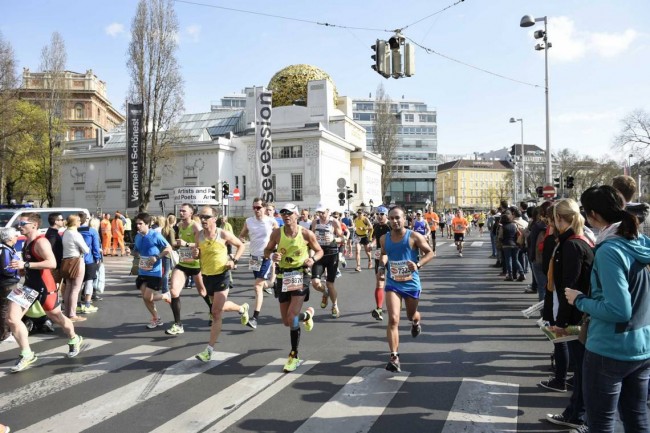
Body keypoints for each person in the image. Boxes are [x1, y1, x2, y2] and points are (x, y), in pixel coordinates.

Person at [566, 185, 650, 433]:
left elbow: (618, 309)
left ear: (593, 215)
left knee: (601, 424)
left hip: (609, 348)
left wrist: (580, 300)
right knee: (637, 418)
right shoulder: (639, 241)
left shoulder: (610, 250)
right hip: (641, 344)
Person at [539, 199, 594, 431]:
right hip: (579, 313)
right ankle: (576, 412)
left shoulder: (571, 245)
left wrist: (560, 323)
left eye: (553, 219)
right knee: (581, 369)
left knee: (582, 370)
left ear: (561, 220)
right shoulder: (579, 240)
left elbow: (568, 288)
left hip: (575, 317)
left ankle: (577, 415)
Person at [6, 213, 84, 372]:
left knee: (57, 317)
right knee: (12, 319)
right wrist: (21, 269)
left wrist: (25, 264)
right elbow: (30, 264)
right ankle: (27, 353)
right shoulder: (27, 242)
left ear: (34, 225)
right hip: (29, 287)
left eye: (23, 223)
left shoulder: (41, 242)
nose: (19, 227)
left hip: (44, 288)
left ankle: (74, 338)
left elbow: (52, 262)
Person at [264, 203, 323, 373]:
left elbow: (319, 251)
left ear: (296, 215)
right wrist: (272, 255)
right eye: (283, 213)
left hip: (300, 275)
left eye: (289, 213)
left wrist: (312, 260)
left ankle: (294, 355)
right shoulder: (277, 233)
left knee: (291, 315)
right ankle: (308, 315)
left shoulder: (306, 233)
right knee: (286, 321)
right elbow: (267, 251)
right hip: (283, 277)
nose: (286, 216)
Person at [379, 206, 433, 372]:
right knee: (393, 319)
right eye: (391, 218)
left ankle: (416, 321)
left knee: (410, 315)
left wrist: (417, 264)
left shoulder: (414, 236)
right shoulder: (384, 238)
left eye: (397, 218)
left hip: (411, 283)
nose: (394, 221)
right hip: (393, 283)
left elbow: (430, 253)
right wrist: (382, 266)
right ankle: (394, 357)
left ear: (404, 219)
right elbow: (384, 253)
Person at [193, 206, 248, 362]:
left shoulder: (222, 233)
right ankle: (241, 308)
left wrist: (234, 260)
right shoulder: (199, 236)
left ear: (214, 219)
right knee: (220, 307)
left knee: (216, 312)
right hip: (207, 276)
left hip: (222, 275)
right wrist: (195, 254)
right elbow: (196, 254)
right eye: (200, 216)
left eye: (205, 217)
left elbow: (241, 245)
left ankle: (209, 350)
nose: (202, 219)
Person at [239, 198, 278, 329]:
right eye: (254, 207)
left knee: (257, 287)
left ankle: (255, 318)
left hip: (266, 256)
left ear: (264, 208)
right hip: (254, 257)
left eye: (258, 207)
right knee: (260, 285)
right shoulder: (248, 221)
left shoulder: (271, 221)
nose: (256, 210)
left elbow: (279, 235)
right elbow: (242, 234)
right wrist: (241, 239)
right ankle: (273, 284)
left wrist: (276, 248)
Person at [132, 212, 173, 329]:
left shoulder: (155, 235)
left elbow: (169, 248)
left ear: (147, 224)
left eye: (140, 224)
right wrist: (134, 253)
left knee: (147, 297)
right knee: (145, 297)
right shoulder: (138, 236)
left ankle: (165, 296)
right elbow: (136, 250)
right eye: (137, 224)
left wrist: (157, 257)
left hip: (154, 272)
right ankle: (156, 318)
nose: (138, 226)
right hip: (142, 270)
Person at [310, 204, 344, 318]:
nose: (321, 215)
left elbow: (343, 238)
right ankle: (325, 293)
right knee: (315, 283)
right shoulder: (315, 222)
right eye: (319, 212)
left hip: (332, 254)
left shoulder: (333, 222)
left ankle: (335, 305)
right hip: (319, 254)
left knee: (330, 284)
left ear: (328, 211)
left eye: (323, 212)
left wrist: (334, 239)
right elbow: (310, 237)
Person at [61, 214, 89, 322]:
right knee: (75, 289)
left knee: (68, 287)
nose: (80, 222)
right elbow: (86, 249)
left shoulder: (66, 233)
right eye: (78, 220)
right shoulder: (76, 234)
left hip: (66, 261)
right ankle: (72, 315)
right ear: (74, 222)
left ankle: (67, 312)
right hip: (77, 261)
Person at [77, 213, 102, 314]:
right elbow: (96, 247)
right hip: (89, 260)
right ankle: (87, 303)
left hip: (76, 260)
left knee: (77, 284)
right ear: (86, 220)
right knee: (89, 282)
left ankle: (77, 304)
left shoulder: (72, 231)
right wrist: (98, 258)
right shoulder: (92, 231)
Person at [370, 206, 391, 320]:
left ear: (386, 215)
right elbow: (375, 239)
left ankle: (396, 303)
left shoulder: (391, 226)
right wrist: (371, 245)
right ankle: (379, 309)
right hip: (379, 256)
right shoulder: (376, 226)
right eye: (377, 214)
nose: (379, 216)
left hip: (392, 257)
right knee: (379, 282)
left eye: (382, 214)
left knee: (394, 282)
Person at [1, 228, 21, 342]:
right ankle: (6, 334)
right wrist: (18, 268)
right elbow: (6, 269)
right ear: (9, 238)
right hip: (8, 283)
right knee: (6, 308)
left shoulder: (8, 249)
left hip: (8, 283)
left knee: (7, 307)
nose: (17, 238)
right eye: (15, 236)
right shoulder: (5, 250)